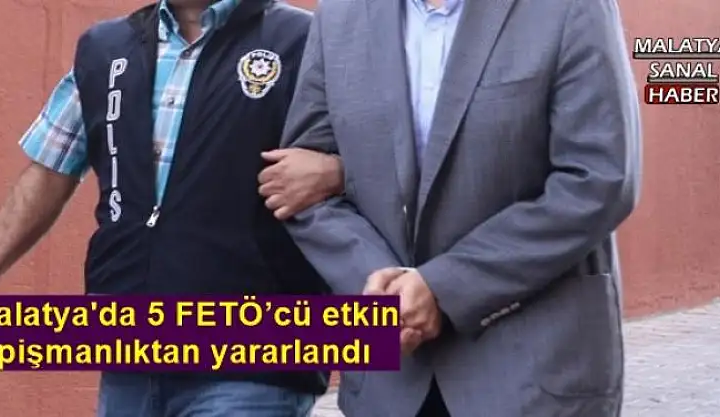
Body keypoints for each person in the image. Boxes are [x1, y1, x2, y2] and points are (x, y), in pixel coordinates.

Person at [259, 0, 642, 416]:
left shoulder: (570, 8)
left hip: (534, 372)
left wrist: (446, 288)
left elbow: (598, 180)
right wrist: (387, 293)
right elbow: (305, 184)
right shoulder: (340, 14)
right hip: (391, 380)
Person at [0, 0, 345, 416]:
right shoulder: (105, 49)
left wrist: (338, 172)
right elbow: (50, 170)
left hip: (255, 361)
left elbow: (390, 151)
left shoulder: (304, 40)